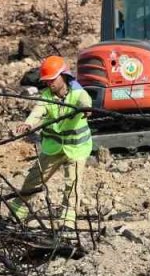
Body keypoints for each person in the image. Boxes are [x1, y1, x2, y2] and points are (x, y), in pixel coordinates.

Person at [10, 55, 93, 227]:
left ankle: (67, 222)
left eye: (52, 79)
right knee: (34, 179)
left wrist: (86, 110)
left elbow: (85, 102)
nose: (50, 83)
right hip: (53, 148)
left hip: (76, 149)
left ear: (64, 76)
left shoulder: (78, 93)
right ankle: (16, 213)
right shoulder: (47, 96)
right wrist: (28, 124)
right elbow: (37, 112)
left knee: (72, 184)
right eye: (47, 81)